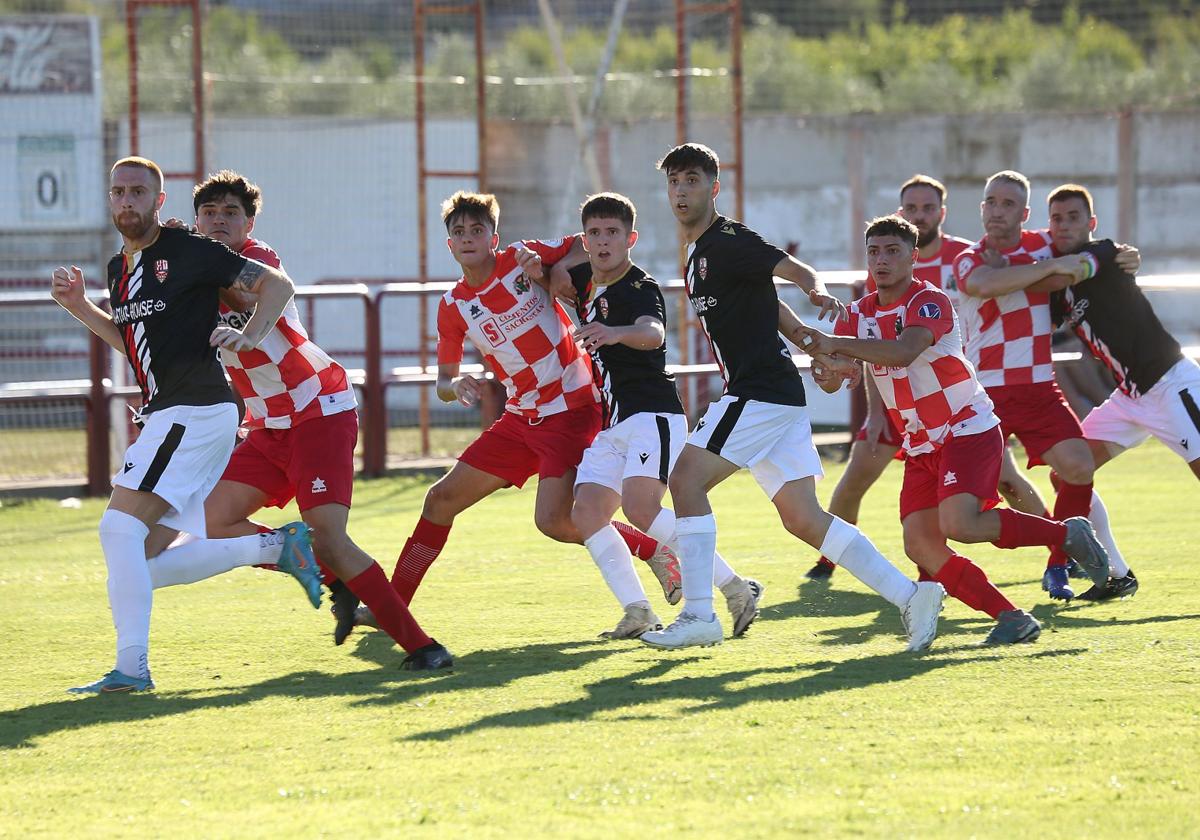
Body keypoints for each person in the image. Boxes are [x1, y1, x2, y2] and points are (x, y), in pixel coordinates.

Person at [639, 143, 945, 652]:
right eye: (674, 181)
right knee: (803, 518)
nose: (681, 190)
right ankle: (910, 596)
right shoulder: (698, 253)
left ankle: (698, 616)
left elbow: (791, 272)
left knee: (685, 479)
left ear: (714, 188)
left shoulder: (729, 238)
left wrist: (818, 290)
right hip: (777, 395)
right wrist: (814, 348)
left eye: (692, 180)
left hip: (758, 394)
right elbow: (771, 306)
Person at [143, 170, 451, 670]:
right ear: (196, 218)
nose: (219, 220)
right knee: (216, 521)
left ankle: (425, 648)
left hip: (318, 411)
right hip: (267, 426)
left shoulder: (256, 260)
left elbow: (257, 296)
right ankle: (325, 574)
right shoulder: (191, 265)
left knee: (329, 534)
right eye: (210, 213)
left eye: (231, 214)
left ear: (250, 223)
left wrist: (185, 261)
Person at [51, 157, 311, 693]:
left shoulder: (188, 249)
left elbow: (277, 287)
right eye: (119, 192)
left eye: (138, 192)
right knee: (137, 562)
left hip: (194, 410)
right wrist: (79, 307)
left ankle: (131, 671)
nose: (128, 201)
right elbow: (133, 344)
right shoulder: (117, 269)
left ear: (158, 200)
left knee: (118, 529)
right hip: (175, 415)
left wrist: (251, 335)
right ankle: (271, 549)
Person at [794, 216, 1113, 643]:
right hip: (921, 443)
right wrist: (827, 371)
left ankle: (1065, 533)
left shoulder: (929, 301)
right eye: (874, 252)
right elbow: (841, 374)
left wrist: (834, 345)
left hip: (966, 427)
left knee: (960, 523)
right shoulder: (857, 315)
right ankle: (1012, 618)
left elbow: (905, 351)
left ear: (913, 256)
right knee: (920, 544)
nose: (882, 260)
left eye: (892, 251)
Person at [382, 191, 678, 614]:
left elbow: (584, 243)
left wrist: (552, 270)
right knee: (440, 500)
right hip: (522, 417)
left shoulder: (522, 257)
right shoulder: (453, 306)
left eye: (477, 230)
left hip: (572, 410)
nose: (468, 238)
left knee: (555, 521)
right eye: (459, 232)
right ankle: (392, 607)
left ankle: (654, 553)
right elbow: (443, 380)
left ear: (494, 238)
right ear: (449, 244)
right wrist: (454, 385)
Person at [563, 192, 763, 639]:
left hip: (652, 415)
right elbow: (547, 269)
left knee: (640, 508)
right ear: (584, 239)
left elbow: (653, 334)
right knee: (588, 512)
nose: (603, 241)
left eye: (612, 232)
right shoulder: (583, 283)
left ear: (630, 238)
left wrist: (613, 333)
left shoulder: (639, 286)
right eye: (594, 233)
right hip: (615, 424)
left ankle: (735, 588)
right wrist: (529, 260)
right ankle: (638, 611)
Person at [952, 170, 1117, 601]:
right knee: (982, 495)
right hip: (983, 392)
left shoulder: (1043, 244)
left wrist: (1116, 254)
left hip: (1039, 387)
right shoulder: (968, 258)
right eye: (991, 202)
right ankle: (932, 573)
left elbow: (1084, 248)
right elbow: (984, 284)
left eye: (1008, 204)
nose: (997, 211)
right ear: (982, 208)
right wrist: (1051, 270)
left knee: (1079, 466)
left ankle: (1057, 568)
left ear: (1024, 214)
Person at [1044, 182, 1199, 597]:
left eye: (1073, 217)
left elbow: (1088, 262)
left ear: (1090, 223)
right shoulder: (1059, 283)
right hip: (1130, 399)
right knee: (1068, 474)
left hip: (1170, 383)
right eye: (1056, 218)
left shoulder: (1104, 254)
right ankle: (1117, 574)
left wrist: (1035, 262)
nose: (1064, 225)